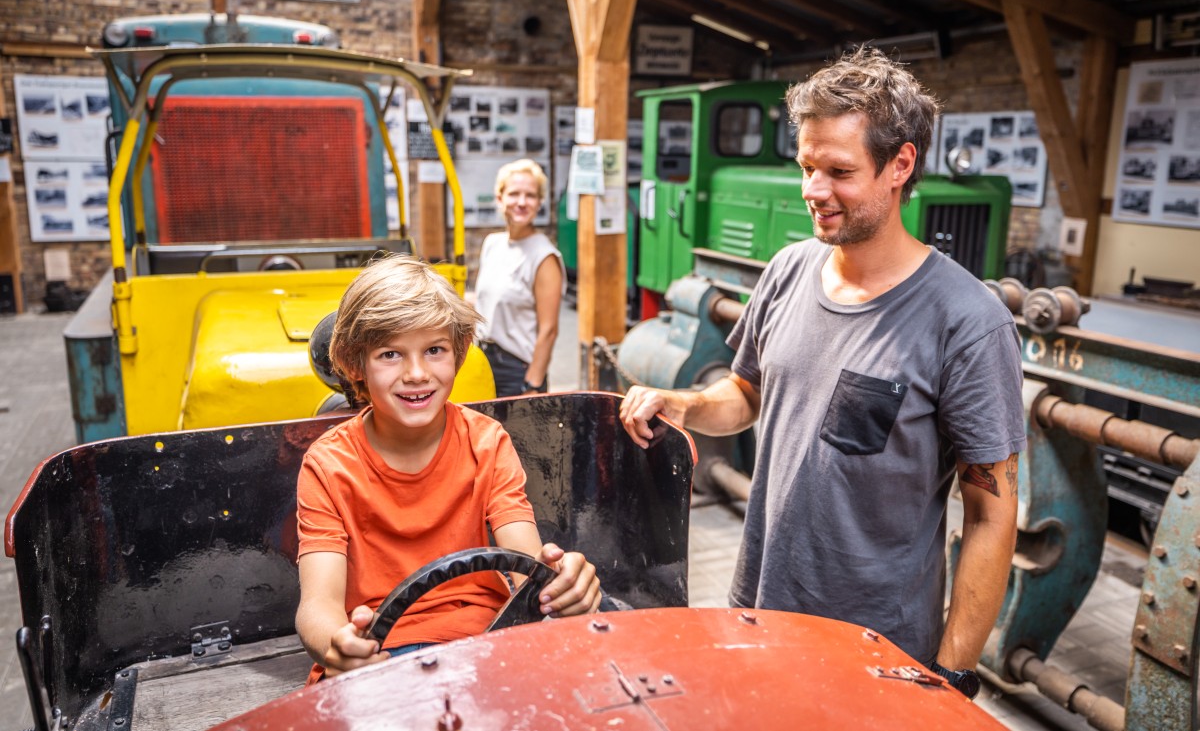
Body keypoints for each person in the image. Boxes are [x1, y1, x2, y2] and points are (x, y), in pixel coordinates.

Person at [619, 46, 1023, 699]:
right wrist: (684, 404)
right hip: (757, 607)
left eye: (838, 171)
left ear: (900, 165)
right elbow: (747, 394)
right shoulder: (787, 271)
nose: (814, 191)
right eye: (806, 167)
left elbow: (990, 515)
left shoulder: (967, 322)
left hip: (873, 652)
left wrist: (950, 674)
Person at [295, 254, 600, 683]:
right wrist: (337, 646)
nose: (417, 373)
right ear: (354, 365)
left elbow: (526, 561)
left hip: (484, 641)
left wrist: (563, 584)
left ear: (458, 354)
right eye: (390, 354)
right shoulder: (327, 465)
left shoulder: (486, 442)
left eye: (434, 350)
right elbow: (318, 606)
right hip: (379, 654)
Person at [474, 159, 565, 397]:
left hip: (517, 370)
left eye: (531, 195)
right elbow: (485, 300)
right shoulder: (492, 244)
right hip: (482, 361)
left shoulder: (544, 256)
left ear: (539, 202)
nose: (522, 202)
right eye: (514, 194)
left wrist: (532, 385)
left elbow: (549, 330)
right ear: (500, 198)